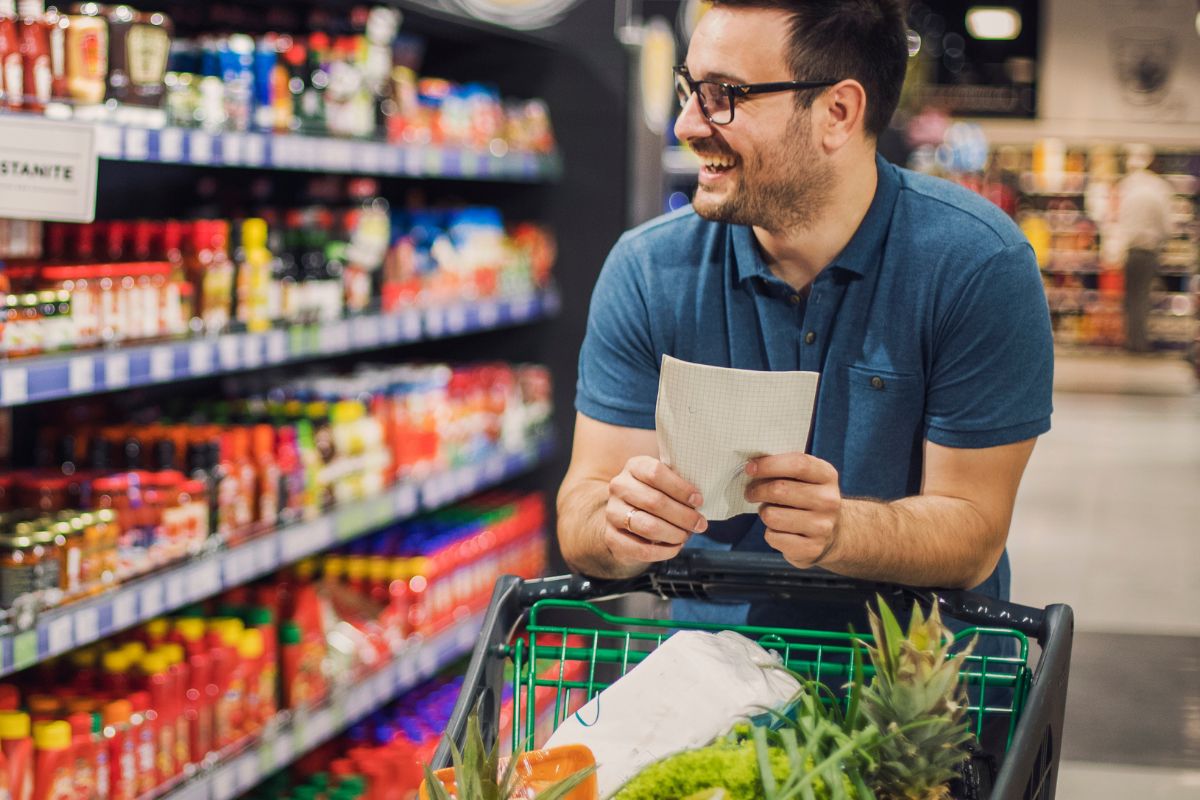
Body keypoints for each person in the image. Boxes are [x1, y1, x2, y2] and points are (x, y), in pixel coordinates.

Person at [557, 0, 1054, 634]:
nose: (686, 123)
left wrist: (844, 528)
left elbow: (974, 529)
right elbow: (583, 505)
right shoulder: (649, 269)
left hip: (921, 701)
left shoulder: (977, 265)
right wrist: (617, 523)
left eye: (723, 95)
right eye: (689, 89)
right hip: (708, 696)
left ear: (837, 113)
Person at [1116, 144, 1173, 354]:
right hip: (1149, 249)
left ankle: (1131, 340)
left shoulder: (1128, 187)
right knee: (1143, 296)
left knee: (1131, 297)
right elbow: (1167, 225)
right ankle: (1139, 343)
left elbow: (1120, 221)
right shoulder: (1159, 189)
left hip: (1131, 249)